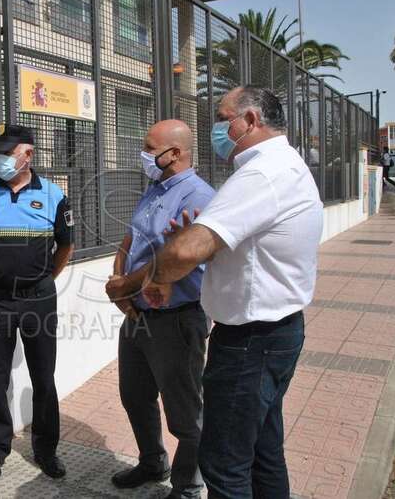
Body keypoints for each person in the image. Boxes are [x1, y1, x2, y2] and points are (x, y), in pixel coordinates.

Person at [141, 86, 323, 499]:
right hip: (277, 333)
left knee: (224, 463)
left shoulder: (261, 175)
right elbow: (237, 243)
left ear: (251, 120)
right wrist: (195, 238)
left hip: (249, 344)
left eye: (223, 119)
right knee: (263, 452)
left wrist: (157, 276)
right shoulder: (285, 166)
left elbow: (185, 251)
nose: (216, 128)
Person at [105, 120, 215, 499]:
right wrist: (119, 284)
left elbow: (174, 262)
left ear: (176, 153)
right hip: (138, 316)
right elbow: (131, 239)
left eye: (150, 148)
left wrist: (124, 286)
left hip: (176, 320)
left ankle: (188, 487)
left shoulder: (197, 197)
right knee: (134, 396)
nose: (144, 154)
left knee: (185, 413)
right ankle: (153, 462)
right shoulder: (155, 189)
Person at [0, 124, 74, 485]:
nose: (0, 159)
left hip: (38, 300)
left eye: (7, 153)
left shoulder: (53, 194)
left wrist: (42, 279)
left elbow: (65, 246)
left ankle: (46, 450)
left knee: (43, 376)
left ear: (28, 154)